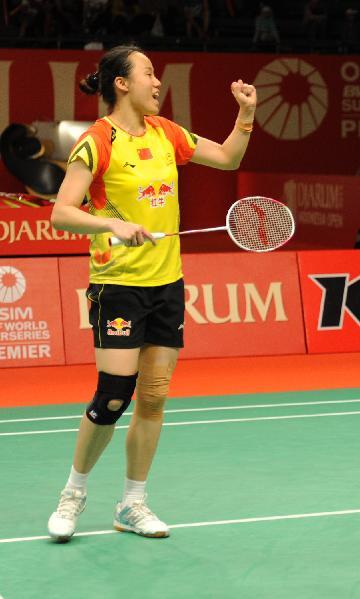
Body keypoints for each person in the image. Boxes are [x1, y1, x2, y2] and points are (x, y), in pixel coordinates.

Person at [46, 45, 256, 542]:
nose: (157, 82)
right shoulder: (97, 142)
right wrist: (111, 226)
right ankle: (73, 494)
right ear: (121, 83)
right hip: (118, 286)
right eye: (149, 73)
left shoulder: (167, 133)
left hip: (166, 284)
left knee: (155, 397)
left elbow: (226, 159)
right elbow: (61, 212)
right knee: (114, 396)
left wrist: (245, 115)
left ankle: (133, 503)